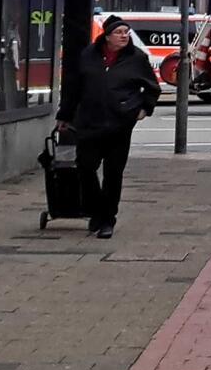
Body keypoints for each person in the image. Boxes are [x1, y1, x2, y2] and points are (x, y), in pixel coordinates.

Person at [55, 15, 159, 239]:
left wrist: (143, 109)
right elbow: (74, 87)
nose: (124, 36)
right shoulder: (88, 56)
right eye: (119, 32)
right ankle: (96, 211)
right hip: (89, 121)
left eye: (126, 32)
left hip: (119, 124)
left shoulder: (136, 58)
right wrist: (64, 115)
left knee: (113, 173)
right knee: (85, 167)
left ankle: (107, 219)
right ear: (107, 36)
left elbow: (152, 87)